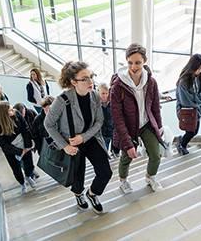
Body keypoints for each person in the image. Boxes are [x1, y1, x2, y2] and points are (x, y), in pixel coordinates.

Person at [44, 61, 113, 214]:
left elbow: (99, 121)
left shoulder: (94, 95)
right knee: (77, 175)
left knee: (105, 172)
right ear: (73, 82)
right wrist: (65, 146)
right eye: (85, 79)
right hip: (72, 143)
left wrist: (84, 137)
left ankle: (92, 193)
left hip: (89, 138)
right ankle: (78, 194)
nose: (91, 82)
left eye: (91, 77)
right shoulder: (62, 100)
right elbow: (48, 124)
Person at [111, 43, 164, 194]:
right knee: (126, 157)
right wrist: (128, 144)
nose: (133, 66)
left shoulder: (151, 82)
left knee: (156, 155)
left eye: (138, 62)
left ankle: (150, 177)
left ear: (144, 61)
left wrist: (158, 127)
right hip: (127, 127)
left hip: (146, 124)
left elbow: (155, 107)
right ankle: (123, 181)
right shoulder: (117, 86)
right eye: (130, 62)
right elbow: (117, 118)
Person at [0, 101, 37, 195]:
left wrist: (27, 146)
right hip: (11, 149)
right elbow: (3, 144)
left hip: (23, 143)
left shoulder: (16, 113)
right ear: (4, 113)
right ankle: (22, 183)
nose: (13, 111)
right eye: (10, 110)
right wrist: (20, 151)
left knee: (29, 163)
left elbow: (25, 128)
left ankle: (29, 176)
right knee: (16, 168)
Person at [175, 54, 201, 155]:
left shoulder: (200, 77)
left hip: (196, 110)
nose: (199, 71)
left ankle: (181, 142)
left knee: (194, 131)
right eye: (198, 68)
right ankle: (182, 145)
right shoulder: (183, 81)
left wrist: (195, 98)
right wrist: (197, 98)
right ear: (192, 67)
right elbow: (186, 101)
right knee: (191, 131)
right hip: (185, 111)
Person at [98, 83, 117, 158]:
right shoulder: (96, 104)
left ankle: (114, 153)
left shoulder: (112, 103)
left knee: (114, 144)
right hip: (102, 132)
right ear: (98, 93)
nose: (105, 95)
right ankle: (105, 156)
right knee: (104, 147)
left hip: (112, 129)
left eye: (106, 93)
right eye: (102, 93)